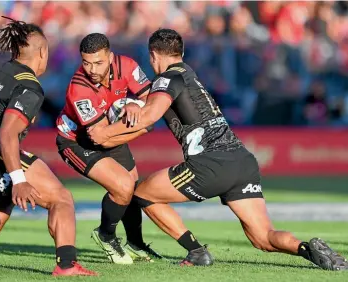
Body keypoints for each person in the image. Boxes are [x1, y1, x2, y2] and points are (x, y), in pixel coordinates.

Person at [88, 28, 348, 271]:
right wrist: (135, 105)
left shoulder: (166, 78)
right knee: (263, 238)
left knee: (144, 194)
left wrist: (104, 133)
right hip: (242, 161)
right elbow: (150, 105)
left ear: (153, 56)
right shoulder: (189, 75)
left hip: (210, 163)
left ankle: (196, 251)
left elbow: (149, 116)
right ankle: (306, 249)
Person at [0, 17, 97, 277]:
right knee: (61, 198)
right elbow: (7, 135)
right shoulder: (29, 85)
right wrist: (19, 179)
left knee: (7, 192)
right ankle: (66, 264)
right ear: (42, 52)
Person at [56, 33, 162, 264]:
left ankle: (135, 243)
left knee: (132, 187)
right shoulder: (79, 88)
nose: (92, 69)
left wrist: (134, 103)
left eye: (98, 62)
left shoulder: (127, 65)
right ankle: (105, 235)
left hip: (110, 132)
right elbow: (101, 139)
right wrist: (144, 128)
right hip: (77, 141)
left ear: (110, 57)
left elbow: (153, 98)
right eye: (86, 62)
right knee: (123, 186)